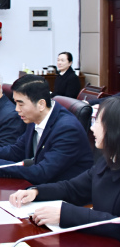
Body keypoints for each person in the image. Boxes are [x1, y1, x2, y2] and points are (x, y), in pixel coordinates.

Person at [9, 96, 120, 241]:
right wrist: (36, 192)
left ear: (114, 129)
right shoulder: (107, 161)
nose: (92, 128)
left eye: (97, 122)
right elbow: (72, 188)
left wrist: (66, 215)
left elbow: (116, 223)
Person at [0, 74, 93, 184]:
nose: (16, 109)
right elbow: (16, 150)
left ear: (41, 104)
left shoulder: (67, 129)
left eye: (21, 104)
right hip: (37, 185)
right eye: (15, 103)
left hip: (61, 195)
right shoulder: (34, 117)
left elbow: (43, 172)